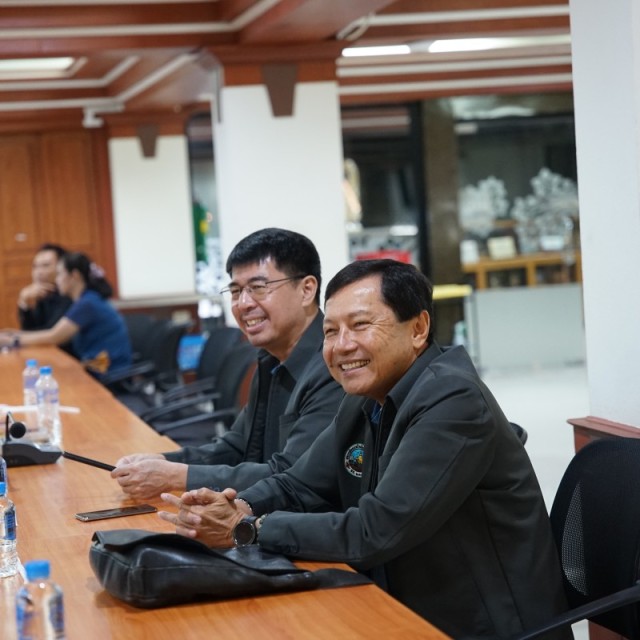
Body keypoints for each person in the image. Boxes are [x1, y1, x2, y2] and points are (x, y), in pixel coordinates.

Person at [158, 259, 570, 640]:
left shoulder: (453, 399)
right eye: (330, 331)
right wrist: (236, 505)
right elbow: (299, 484)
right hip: (404, 599)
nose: (341, 346)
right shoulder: (366, 395)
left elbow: (375, 530)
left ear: (418, 328)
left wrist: (247, 528)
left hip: (483, 626)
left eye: (360, 325)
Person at [110, 228, 344, 500]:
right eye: (235, 291)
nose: (243, 304)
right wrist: (161, 461)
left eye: (258, 288)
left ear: (306, 290)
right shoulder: (271, 358)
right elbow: (236, 446)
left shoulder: (334, 365)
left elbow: (290, 477)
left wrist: (175, 476)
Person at [0, 252, 132, 377]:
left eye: (59, 274)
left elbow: (54, 336)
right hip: (96, 367)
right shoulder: (86, 299)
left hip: (107, 373)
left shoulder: (87, 304)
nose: (57, 280)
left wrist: (13, 340)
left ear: (74, 275)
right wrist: (14, 334)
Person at [17, 243, 72, 331]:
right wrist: (24, 302)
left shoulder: (70, 295)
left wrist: (15, 337)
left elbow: (50, 332)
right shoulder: (44, 294)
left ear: (62, 267)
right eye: (35, 266)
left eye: (45, 265)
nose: (38, 272)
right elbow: (30, 330)